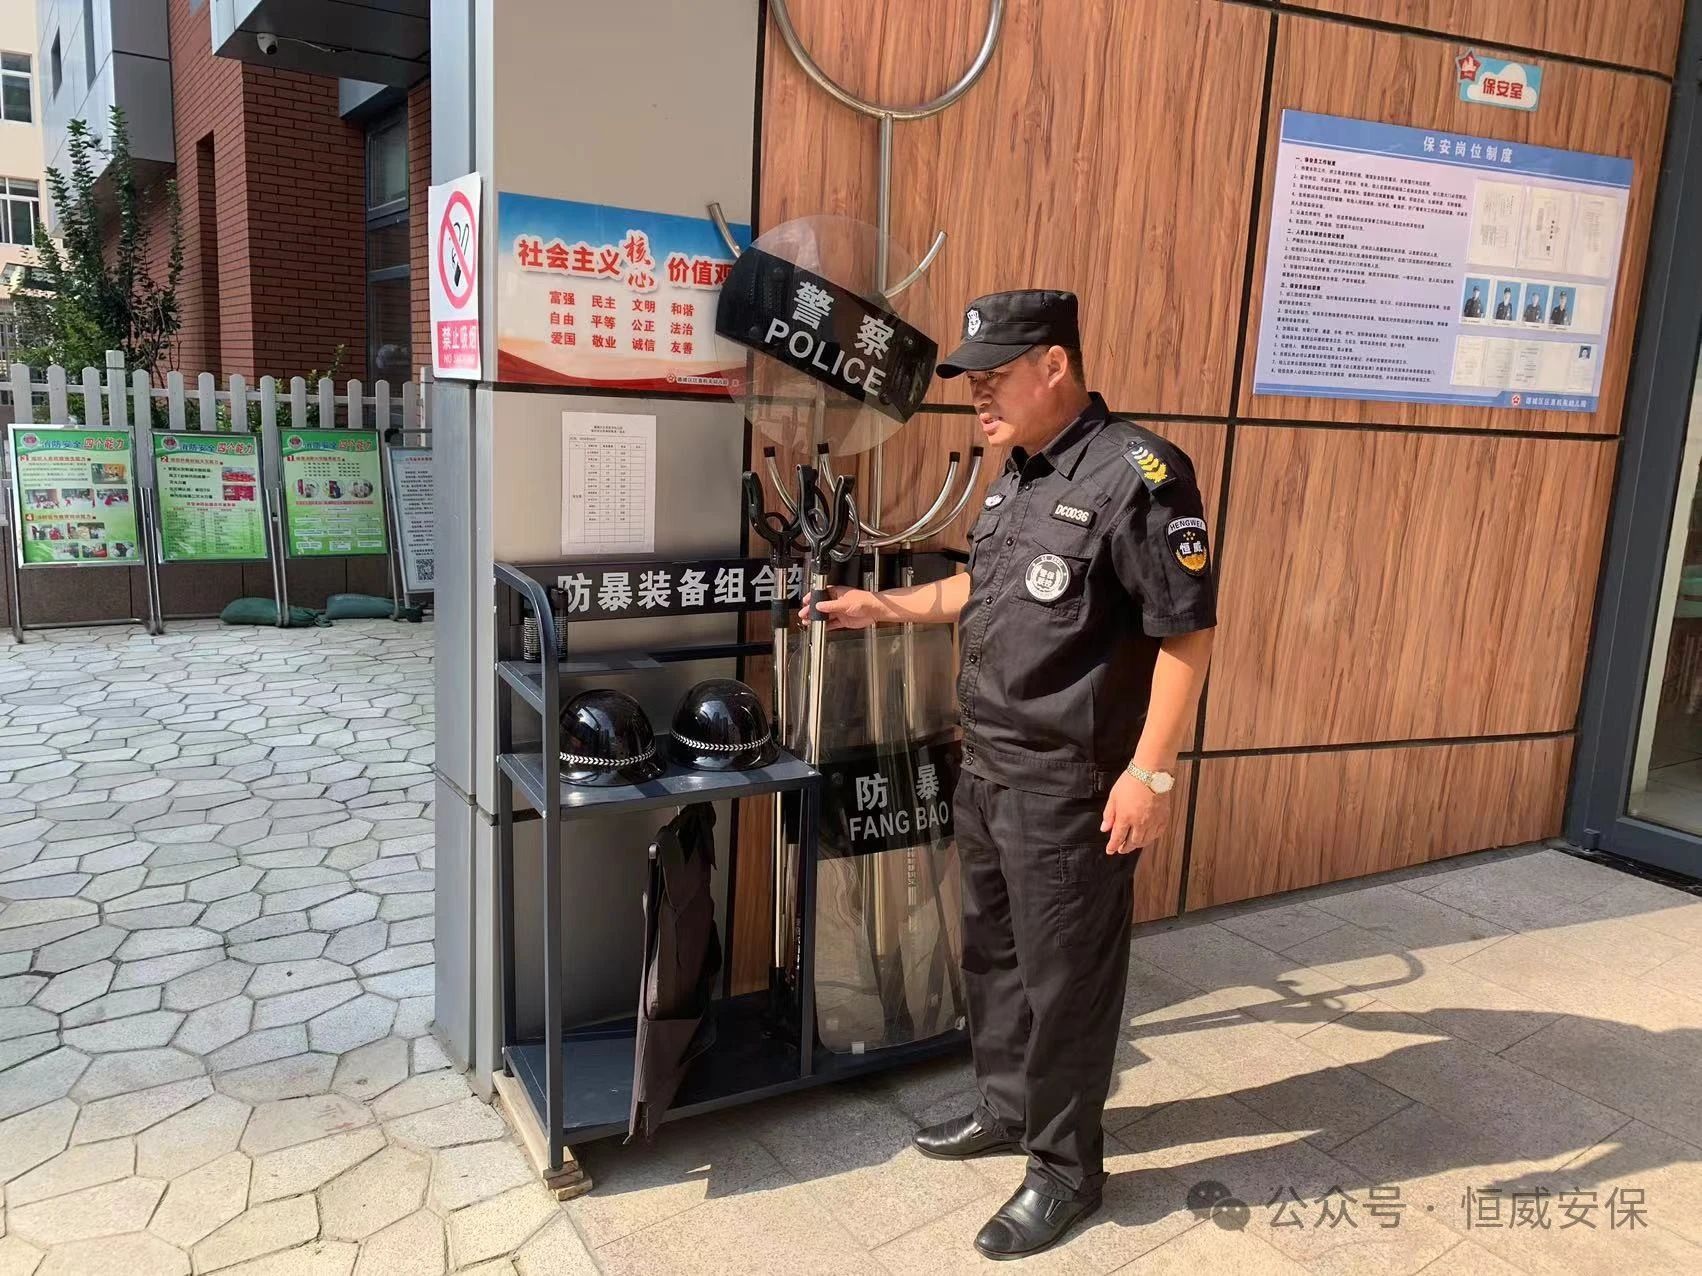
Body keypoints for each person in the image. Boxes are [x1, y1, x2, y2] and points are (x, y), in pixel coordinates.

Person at [806, 289, 1217, 1259]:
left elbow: (1185, 634)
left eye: (992, 377)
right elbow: (981, 589)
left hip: (1071, 784)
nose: (976, 396)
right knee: (991, 959)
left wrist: (1150, 776)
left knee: (1066, 984)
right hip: (986, 767)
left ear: (1054, 365)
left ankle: (1066, 1171)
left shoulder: (1141, 475)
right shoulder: (1016, 475)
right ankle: (1005, 1107)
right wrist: (881, 606)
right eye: (970, 380)